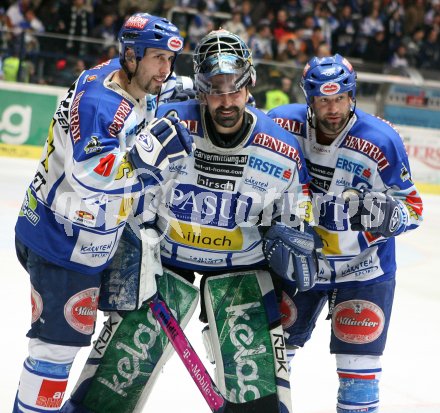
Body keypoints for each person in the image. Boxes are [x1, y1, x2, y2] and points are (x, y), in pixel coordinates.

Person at [62, 29, 320, 413]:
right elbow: (125, 189)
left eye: (235, 89)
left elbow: (297, 217)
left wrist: (295, 234)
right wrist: (127, 242)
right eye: (215, 90)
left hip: (242, 273)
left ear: (251, 85)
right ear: (200, 90)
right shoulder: (167, 124)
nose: (227, 101)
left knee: (260, 402)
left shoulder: (281, 149)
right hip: (162, 265)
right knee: (107, 393)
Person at [12, 12, 194, 412]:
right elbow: (90, 179)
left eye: (170, 60)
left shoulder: (115, 75)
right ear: (131, 56)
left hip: (73, 232)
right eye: (157, 58)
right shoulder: (102, 104)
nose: (166, 70)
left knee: (68, 342)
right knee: (54, 350)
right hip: (63, 241)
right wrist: (147, 163)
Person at [267, 54, 423, 412]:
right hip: (299, 262)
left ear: (353, 96)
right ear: (309, 99)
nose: (333, 108)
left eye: (340, 98)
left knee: (358, 381)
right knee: (271, 368)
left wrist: (391, 216)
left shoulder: (383, 140)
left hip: (364, 270)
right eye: (323, 99)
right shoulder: (281, 125)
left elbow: (414, 207)